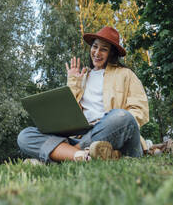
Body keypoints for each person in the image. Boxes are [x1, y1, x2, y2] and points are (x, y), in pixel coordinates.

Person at [17, 26, 150, 163]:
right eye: (95, 47)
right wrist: (73, 83)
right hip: (81, 135)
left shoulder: (126, 74)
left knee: (122, 116)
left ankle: (66, 154)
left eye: (103, 49)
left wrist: (105, 125)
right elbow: (67, 116)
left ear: (111, 53)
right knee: (25, 136)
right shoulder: (82, 77)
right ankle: (86, 156)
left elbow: (139, 111)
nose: (97, 52)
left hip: (115, 134)